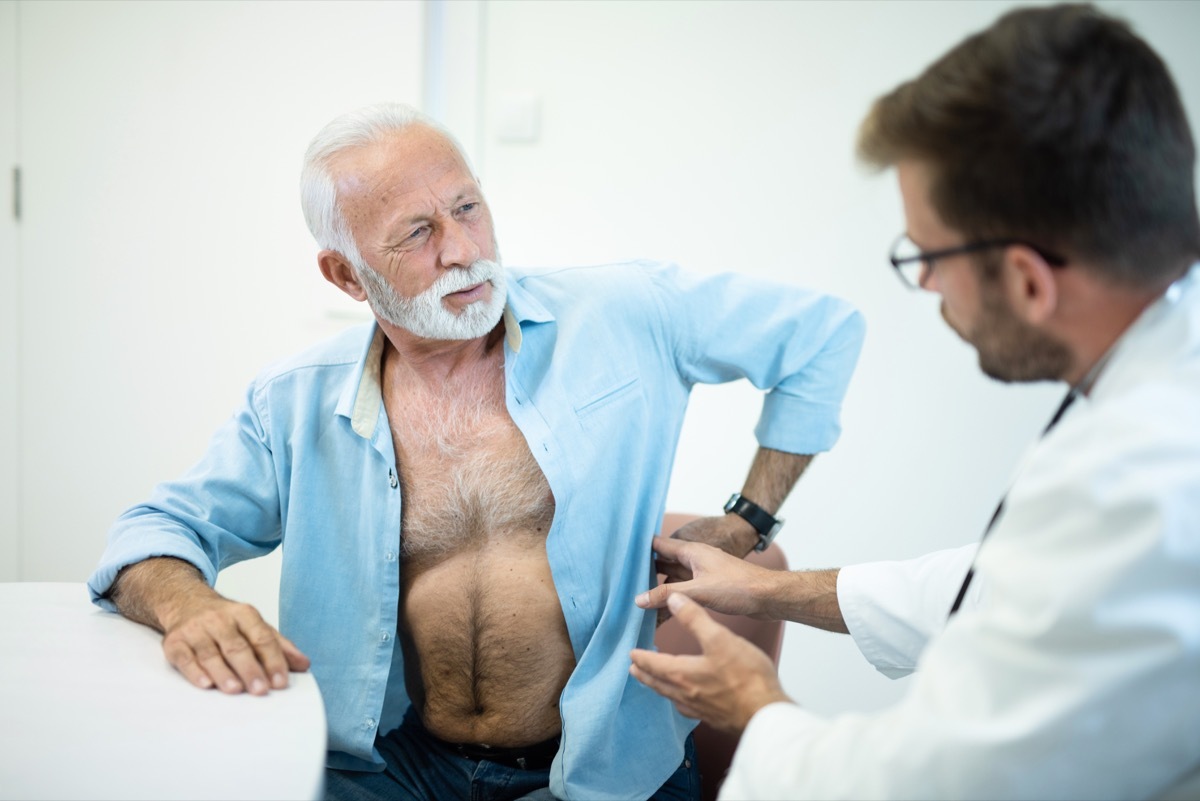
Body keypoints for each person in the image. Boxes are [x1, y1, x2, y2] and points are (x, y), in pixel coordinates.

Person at [86, 103, 865, 801]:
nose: (463, 249)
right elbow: (153, 532)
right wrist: (191, 603)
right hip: (388, 769)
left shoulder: (629, 313)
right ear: (345, 274)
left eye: (467, 207)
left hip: (604, 770)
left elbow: (821, 336)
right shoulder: (292, 402)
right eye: (418, 232)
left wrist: (749, 516)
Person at [630, 4, 1200, 799]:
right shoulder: (1165, 361)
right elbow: (1009, 587)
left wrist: (755, 709)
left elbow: (943, 781)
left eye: (927, 254)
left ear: (1030, 280)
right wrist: (765, 589)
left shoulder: (1140, 477)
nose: (925, 281)